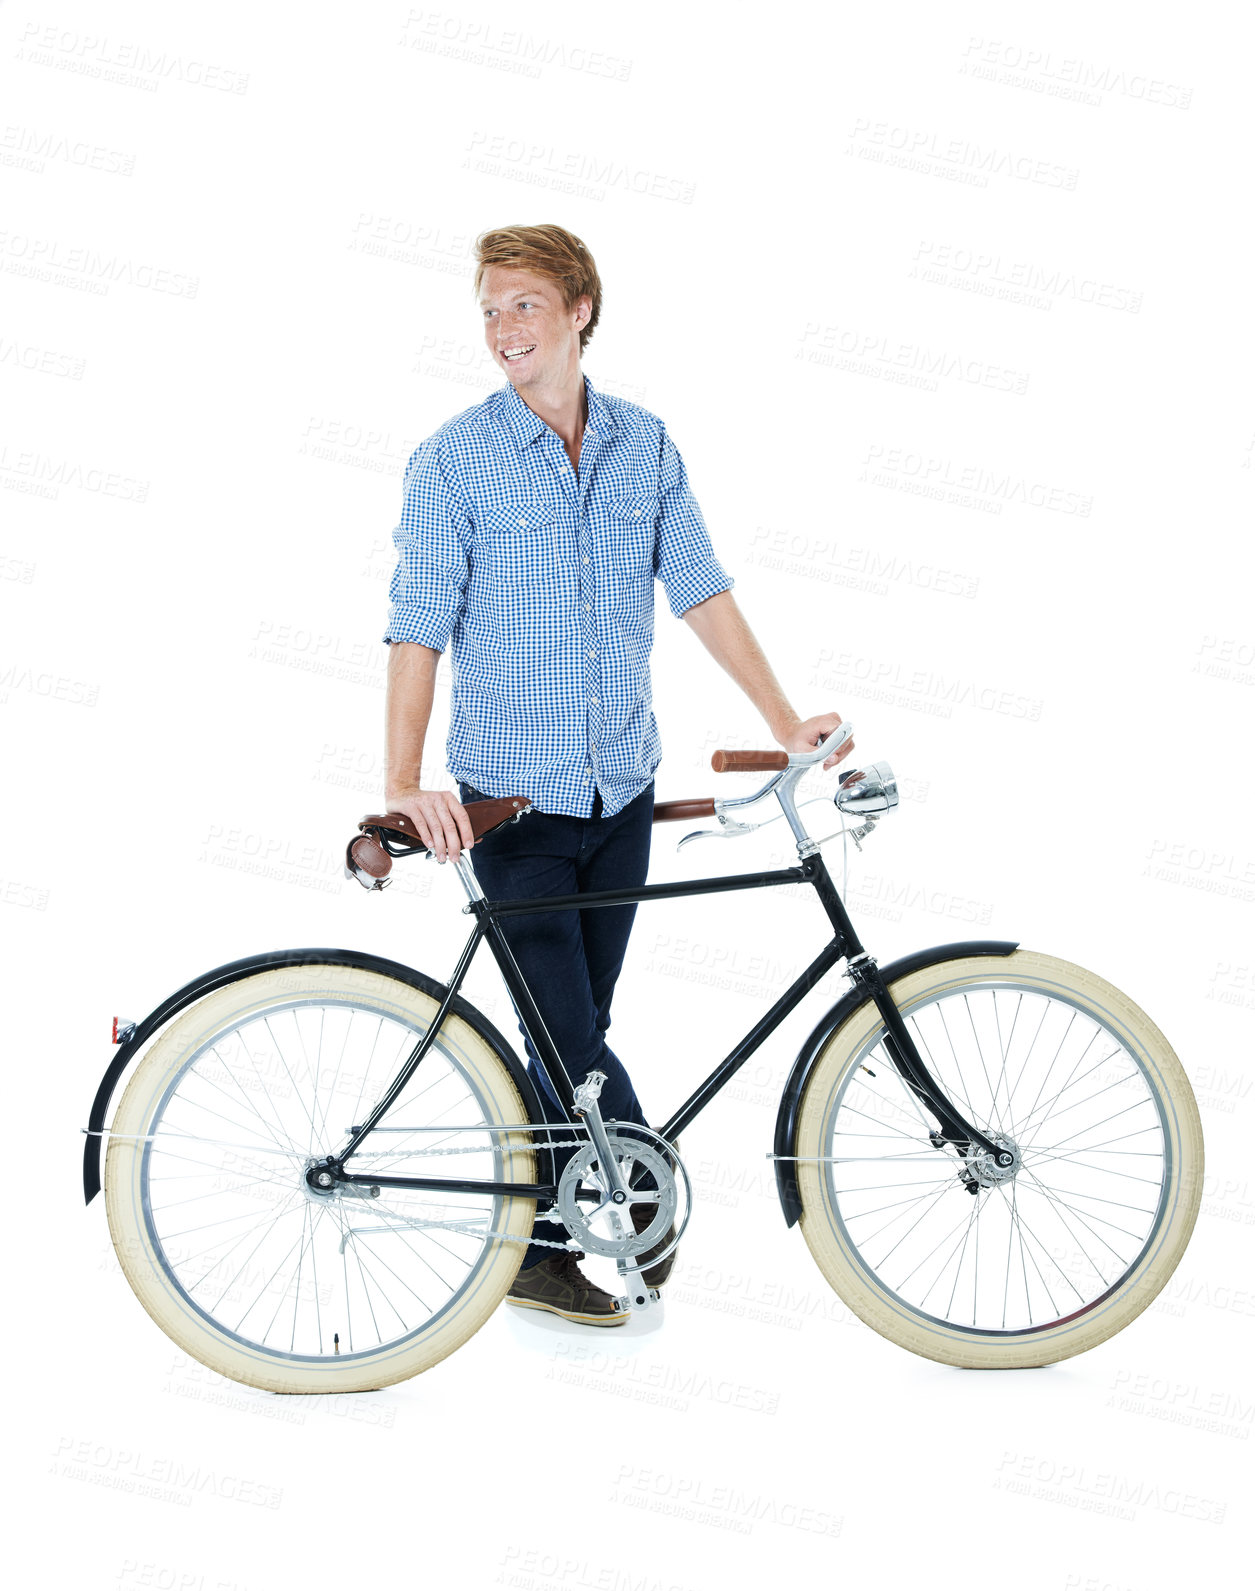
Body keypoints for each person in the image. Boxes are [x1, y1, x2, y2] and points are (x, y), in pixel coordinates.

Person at [381, 223, 853, 1326]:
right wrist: (404, 778)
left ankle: (545, 1246)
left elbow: (700, 591)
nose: (503, 328)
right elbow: (416, 626)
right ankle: (649, 1197)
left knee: (572, 1030)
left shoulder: (645, 445)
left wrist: (784, 721)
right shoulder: (453, 458)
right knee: (574, 1043)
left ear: (580, 308)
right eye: (490, 307)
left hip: (619, 793)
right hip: (514, 806)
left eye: (525, 305)